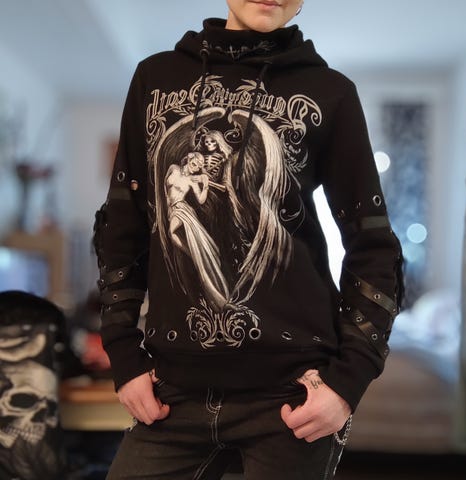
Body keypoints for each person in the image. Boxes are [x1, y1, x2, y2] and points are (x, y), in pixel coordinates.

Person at [93, 1, 404, 478]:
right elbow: (122, 227)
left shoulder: (331, 92)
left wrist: (347, 382)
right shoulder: (154, 79)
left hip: (292, 393)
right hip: (171, 390)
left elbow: (375, 248)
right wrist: (124, 356)